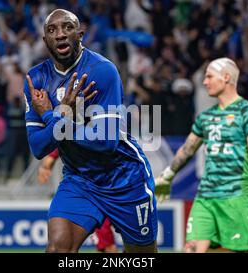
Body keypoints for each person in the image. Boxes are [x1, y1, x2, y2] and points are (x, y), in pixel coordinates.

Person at [24, 9, 157, 253]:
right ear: (45, 41)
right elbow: (38, 147)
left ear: (80, 34)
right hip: (80, 180)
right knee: (57, 249)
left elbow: (105, 142)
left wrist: (51, 115)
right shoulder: (36, 79)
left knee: (141, 256)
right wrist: (62, 117)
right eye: (52, 30)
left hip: (124, 177)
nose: (60, 34)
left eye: (67, 27)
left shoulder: (102, 70)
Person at [155, 57, 248, 253]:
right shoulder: (206, 117)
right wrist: (168, 175)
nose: (204, 82)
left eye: (209, 76)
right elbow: (187, 149)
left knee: (241, 250)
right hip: (205, 196)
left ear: (226, 77)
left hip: (238, 196)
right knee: (190, 248)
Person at [38, 149, 119, 253]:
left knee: (135, 244)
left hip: (104, 192)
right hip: (96, 195)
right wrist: (45, 166)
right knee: (109, 246)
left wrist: (45, 167)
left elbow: (49, 157)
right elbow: (50, 155)